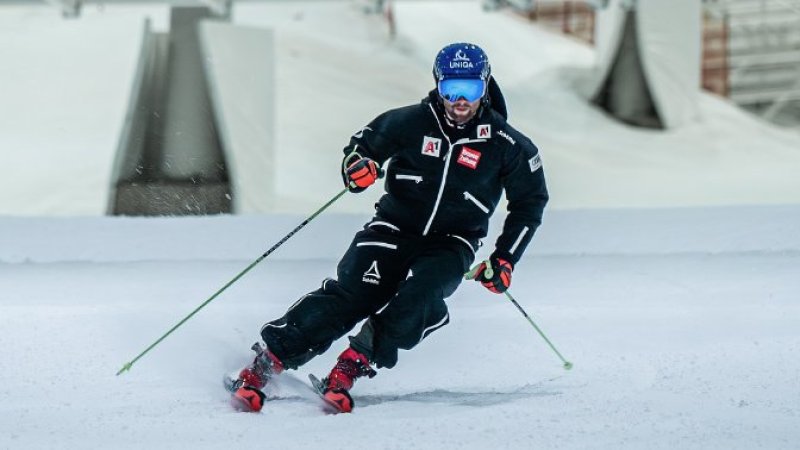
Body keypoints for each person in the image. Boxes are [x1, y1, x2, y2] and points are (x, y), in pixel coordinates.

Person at [229, 42, 549, 413]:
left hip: (452, 243)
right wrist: (358, 167)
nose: (460, 101)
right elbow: (362, 147)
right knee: (353, 293)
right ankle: (265, 365)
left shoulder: (507, 144)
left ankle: (352, 365)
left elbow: (530, 203)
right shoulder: (409, 122)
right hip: (392, 228)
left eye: (471, 90)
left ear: (485, 85)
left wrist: (505, 258)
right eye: (451, 90)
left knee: (423, 296)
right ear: (438, 84)